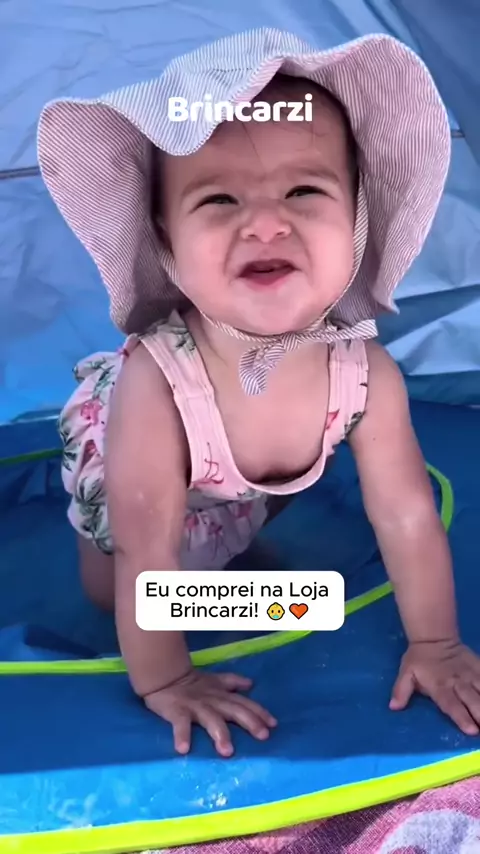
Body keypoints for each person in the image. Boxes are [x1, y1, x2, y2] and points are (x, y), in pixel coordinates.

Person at [37, 30, 480, 757]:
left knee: (257, 533)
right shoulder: (155, 383)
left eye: (305, 190)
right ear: (167, 243)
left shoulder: (366, 375)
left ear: (359, 219)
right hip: (140, 465)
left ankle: (236, 515)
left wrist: (437, 643)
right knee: (116, 584)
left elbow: (405, 514)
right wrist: (167, 679)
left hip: (234, 475)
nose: (268, 222)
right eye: (218, 198)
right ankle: (221, 534)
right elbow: (146, 551)